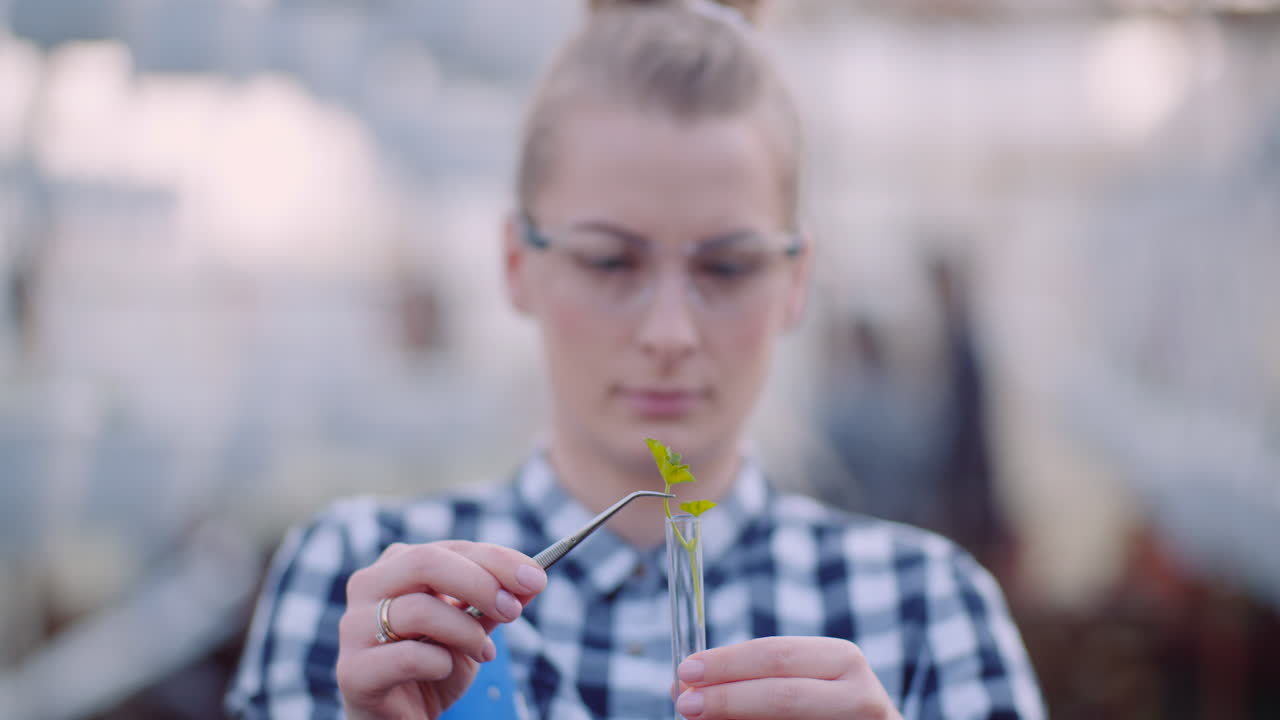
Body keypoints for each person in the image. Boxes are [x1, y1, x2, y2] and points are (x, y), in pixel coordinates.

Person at [225, 1, 1045, 718]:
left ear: (796, 280)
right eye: (609, 262)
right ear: (517, 263)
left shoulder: (928, 606)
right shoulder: (368, 592)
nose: (669, 333)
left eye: (727, 267)